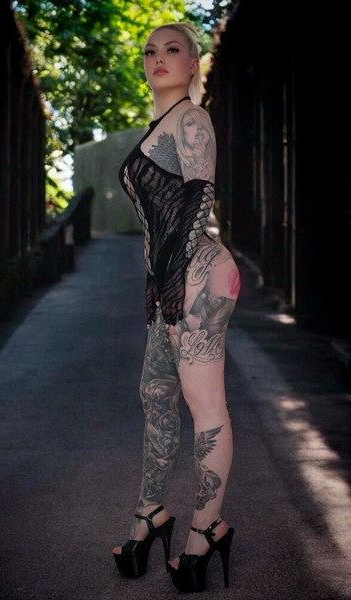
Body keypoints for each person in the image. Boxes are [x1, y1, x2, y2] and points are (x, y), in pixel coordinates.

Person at [112, 21, 241, 593]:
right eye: (149, 51)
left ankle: (206, 529)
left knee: (204, 405)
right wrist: (158, 282)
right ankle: (150, 514)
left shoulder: (191, 119)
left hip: (197, 275)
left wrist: (173, 282)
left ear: (193, 65)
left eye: (172, 49)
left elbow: (197, 198)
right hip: (171, 277)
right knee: (155, 394)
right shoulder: (160, 123)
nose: (158, 58)